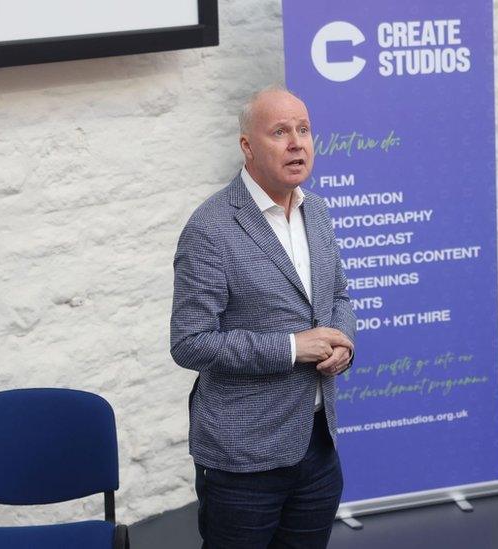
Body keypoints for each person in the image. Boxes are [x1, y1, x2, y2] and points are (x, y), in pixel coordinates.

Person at [170, 84, 356, 549]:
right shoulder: (211, 227)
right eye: (280, 131)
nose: (297, 142)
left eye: (304, 129)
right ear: (247, 147)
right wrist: (294, 348)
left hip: (316, 446)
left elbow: (338, 297)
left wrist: (343, 343)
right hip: (243, 458)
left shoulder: (319, 212)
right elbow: (190, 341)